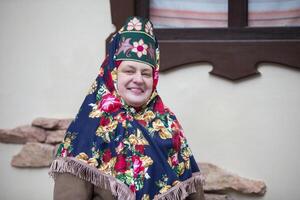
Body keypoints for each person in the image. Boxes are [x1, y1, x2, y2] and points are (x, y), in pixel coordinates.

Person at [49, 16, 204, 200]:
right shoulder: (87, 129)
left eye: (146, 73)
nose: (138, 79)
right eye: (129, 71)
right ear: (112, 73)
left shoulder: (168, 125)